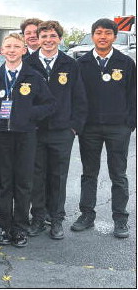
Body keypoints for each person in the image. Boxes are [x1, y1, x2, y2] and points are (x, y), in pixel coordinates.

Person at [0, 33, 55, 248]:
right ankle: (5, 228)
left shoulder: (34, 77)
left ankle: (20, 228)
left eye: (17, 46)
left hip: (26, 136)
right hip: (2, 136)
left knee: (23, 183)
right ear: (2, 50)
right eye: (8, 46)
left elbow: (49, 105)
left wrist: (27, 114)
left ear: (24, 50)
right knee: (5, 183)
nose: (12, 50)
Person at [25, 20, 88, 240]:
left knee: (58, 177)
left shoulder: (70, 64)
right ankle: (38, 218)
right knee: (36, 176)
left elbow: (79, 98)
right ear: (38, 39)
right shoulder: (28, 63)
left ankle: (56, 219)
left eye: (53, 36)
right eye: (44, 36)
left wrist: (74, 128)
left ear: (59, 39)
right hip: (35, 130)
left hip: (62, 131)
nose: (49, 40)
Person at [73, 18, 136, 238]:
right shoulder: (81, 64)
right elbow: (77, 97)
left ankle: (120, 219)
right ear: (92, 36)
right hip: (89, 128)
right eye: (98, 32)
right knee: (89, 173)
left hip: (118, 127)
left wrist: (130, 123)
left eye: (107, 33)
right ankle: (86, 215)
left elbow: (132, 94)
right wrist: (79, 124)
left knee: (118, 174)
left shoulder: (126, 62)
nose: (102, 37)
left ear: (114, 37)